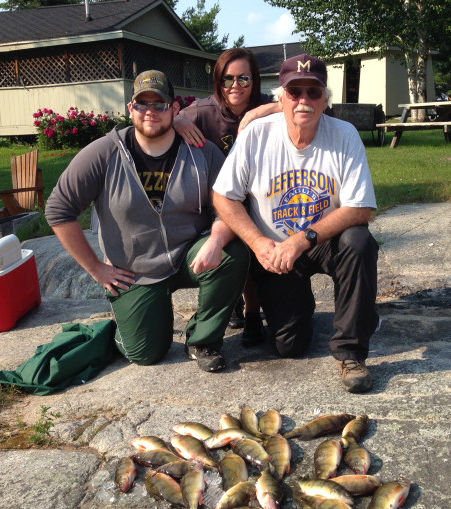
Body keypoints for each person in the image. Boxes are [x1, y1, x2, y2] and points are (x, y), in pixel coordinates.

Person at [45, 70, 249, 373]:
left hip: (187, 257)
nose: (150, 112)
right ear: (131, 109)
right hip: (134, 271)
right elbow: (59, 210)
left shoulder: (202, 152)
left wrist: (216, 240)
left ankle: (202, 338)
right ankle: (140, 319)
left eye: (160, 104)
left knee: (234, 253)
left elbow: (230, 206)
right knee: (146, 353)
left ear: (175, 108)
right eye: (142, 104)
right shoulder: (103, 153)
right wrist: (97, 269)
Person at [212, 54, 379, 393]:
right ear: (281, 98)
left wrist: (302, 240)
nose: (304, 100)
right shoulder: (256, 135)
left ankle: (350, 350)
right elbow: (223, 197)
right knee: (290, 346)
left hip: (323, 240)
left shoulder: (344, 135)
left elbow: (360, 209)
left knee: (359, 242)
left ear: (325, 99)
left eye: (313, 92)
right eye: (295, 92)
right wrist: (259, 244)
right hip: (275, 251)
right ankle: (306, 310)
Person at [174, 47, 279, 346]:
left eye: (244, 79)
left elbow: (303, 101)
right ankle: (236, 306)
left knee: (257, 243)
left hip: (258, 193)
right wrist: (179, 120)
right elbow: (163, 118)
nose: (235, 86)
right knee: (232, 244)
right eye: (227, 79)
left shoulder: (264, 106)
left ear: (254, 81)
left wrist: (263, 111)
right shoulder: (203, 111)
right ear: (218, 82)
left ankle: (252, 312)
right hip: (217, 197)